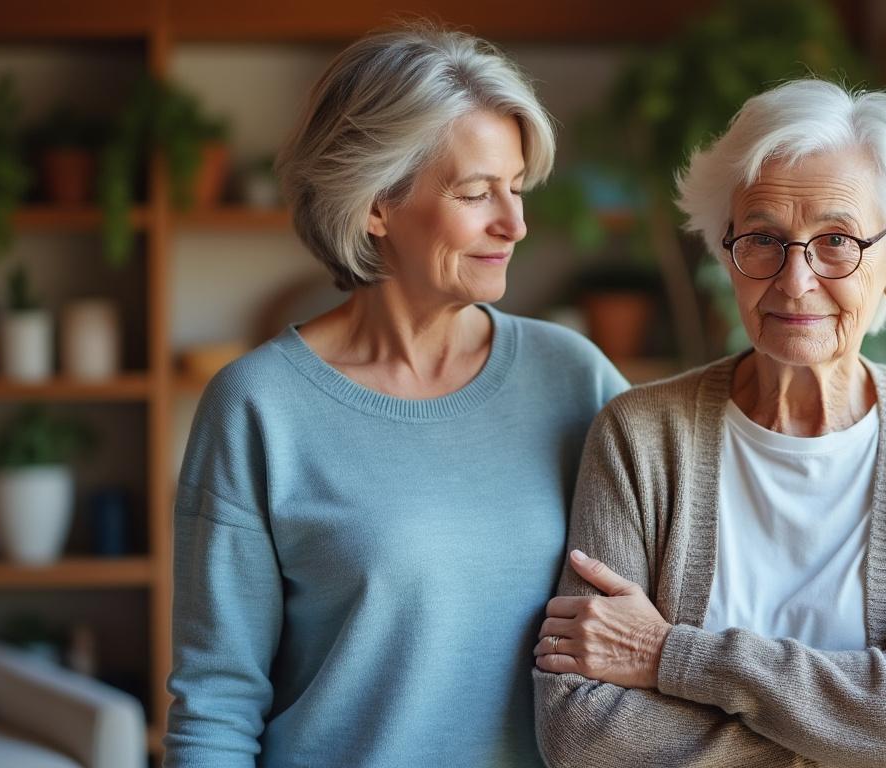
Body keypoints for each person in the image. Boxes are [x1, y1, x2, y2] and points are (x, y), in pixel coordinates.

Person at [163, 25, 627, 766]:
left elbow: (677, 599)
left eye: (516, 188)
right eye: (475, 193)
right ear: (376, 204)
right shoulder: (259, 406)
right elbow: (216, 705)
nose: (515, 224)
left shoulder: (575, 376)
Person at [533, 80, 886, 767]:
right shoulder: (639, 437)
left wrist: (669, 656)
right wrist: (872, 718)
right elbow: (581, 736)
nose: (795, 280)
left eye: (837, 241)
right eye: (763, 239)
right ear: (725, 252)